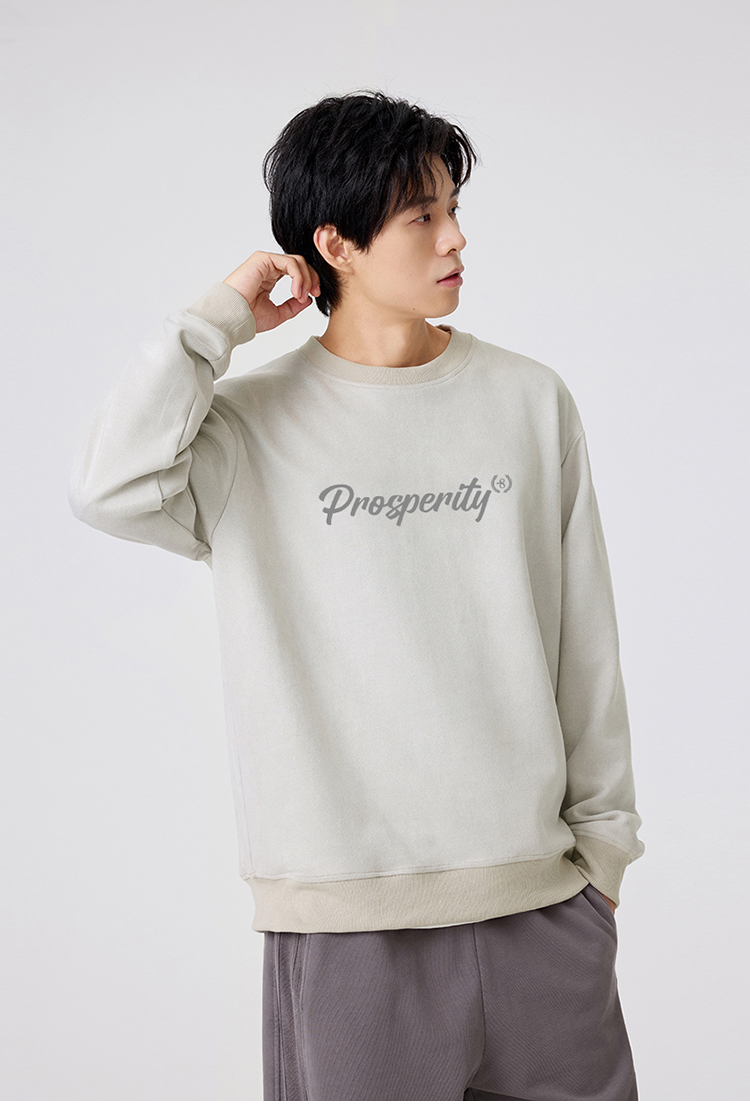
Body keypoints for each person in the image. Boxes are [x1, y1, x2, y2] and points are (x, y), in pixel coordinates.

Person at [68, 89, 645, 1101]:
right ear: (333, 243)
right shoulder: (246, 428)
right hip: (349, 931)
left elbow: (585, 641)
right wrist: (216, 323)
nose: (455, 237)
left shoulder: (528, 399)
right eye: (422, 215)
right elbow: (110, 487)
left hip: (545, 908)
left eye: (454, 208)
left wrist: (602, 860)